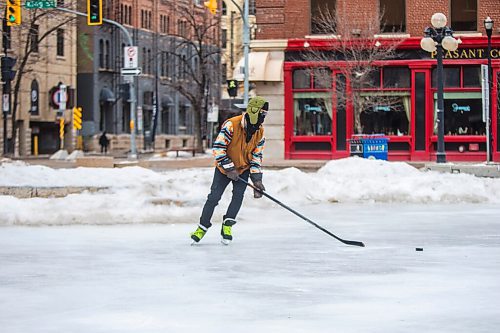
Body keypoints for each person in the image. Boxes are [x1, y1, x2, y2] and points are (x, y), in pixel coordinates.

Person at [191, 96, 268, 245]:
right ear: (254, 111)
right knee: (214, 197)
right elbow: (218, 148)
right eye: (262, 114)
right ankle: (202, 227)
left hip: (243, 168)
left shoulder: (260, 132)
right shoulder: (232, 125)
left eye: (265, 115)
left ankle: (227, 225)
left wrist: (257, 180)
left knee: (238, 196)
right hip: (224, 168)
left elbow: (256, 156)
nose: (263, 118)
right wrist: (229, 168)